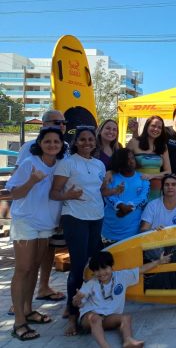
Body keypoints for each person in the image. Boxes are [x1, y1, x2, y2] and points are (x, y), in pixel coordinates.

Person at [7, 127, 65, 341]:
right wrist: (32, 181)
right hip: (26, 222)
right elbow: (13, 193)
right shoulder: (29, 164)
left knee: (33, 268)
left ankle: (29, 310)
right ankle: (19, 322)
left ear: (61, 145)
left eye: (56, 142)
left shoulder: (60, 165)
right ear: (40, 143)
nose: (52, 145)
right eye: (47, 141)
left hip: (46, 223)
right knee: (22, 269)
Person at [50, 125, 107, 336]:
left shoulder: (99, 164)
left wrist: (114, 191)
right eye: (82, 140)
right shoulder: (67, 163)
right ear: (76, 142)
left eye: (91, 140)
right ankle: (72, 316)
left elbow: (99, 191)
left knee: (93, 264)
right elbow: (54, 193)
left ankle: (91, 307)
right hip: (75, 218)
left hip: (96, 217)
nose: (87, 143)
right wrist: (69, 196)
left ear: (95, 142)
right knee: (77, 267)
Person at [13, 110, 68, 306]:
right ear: (43, 125)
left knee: (38, 261)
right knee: (24, 267)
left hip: (49, 218)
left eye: (63, 122)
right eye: (56, 122)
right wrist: (31, 181)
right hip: (27, 218)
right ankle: (19, 309)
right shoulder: (29, 152)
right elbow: (14, 187)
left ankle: (33, 299)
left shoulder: (65, 151)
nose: (61, 125)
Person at [73, 251, 170, 348]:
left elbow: (140, 269)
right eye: (97, 270)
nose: (101, 273)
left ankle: (128, 340)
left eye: (104, 268)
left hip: (107, 318)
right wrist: (77, 300)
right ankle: (105, 346)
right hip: (88, 319)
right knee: (95, 318)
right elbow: (77, 303)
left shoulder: (122, 276)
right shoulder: (91, 283)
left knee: (126, 318)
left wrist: (159, 262)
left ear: (111, 266)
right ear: (93, 272)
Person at [101, 148, 150, 246]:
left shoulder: (143, 178)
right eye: (127, 159)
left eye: (132, 158)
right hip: (110, 230)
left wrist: (128, 207)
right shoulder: (111, 178)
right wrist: (121, 206)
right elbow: (107, 196)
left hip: (133, 232)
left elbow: (144, 198)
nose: (131, 161)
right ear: (120, 161)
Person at [127, 115, 171, 201]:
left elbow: (168, 171)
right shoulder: (134, 142)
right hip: (136, 188)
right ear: (147, 126)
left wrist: (152, 176)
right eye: (153, 126)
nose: (156, 129)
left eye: (159, 127)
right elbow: (124, 163)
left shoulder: (163, 146)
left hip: (155, 191)